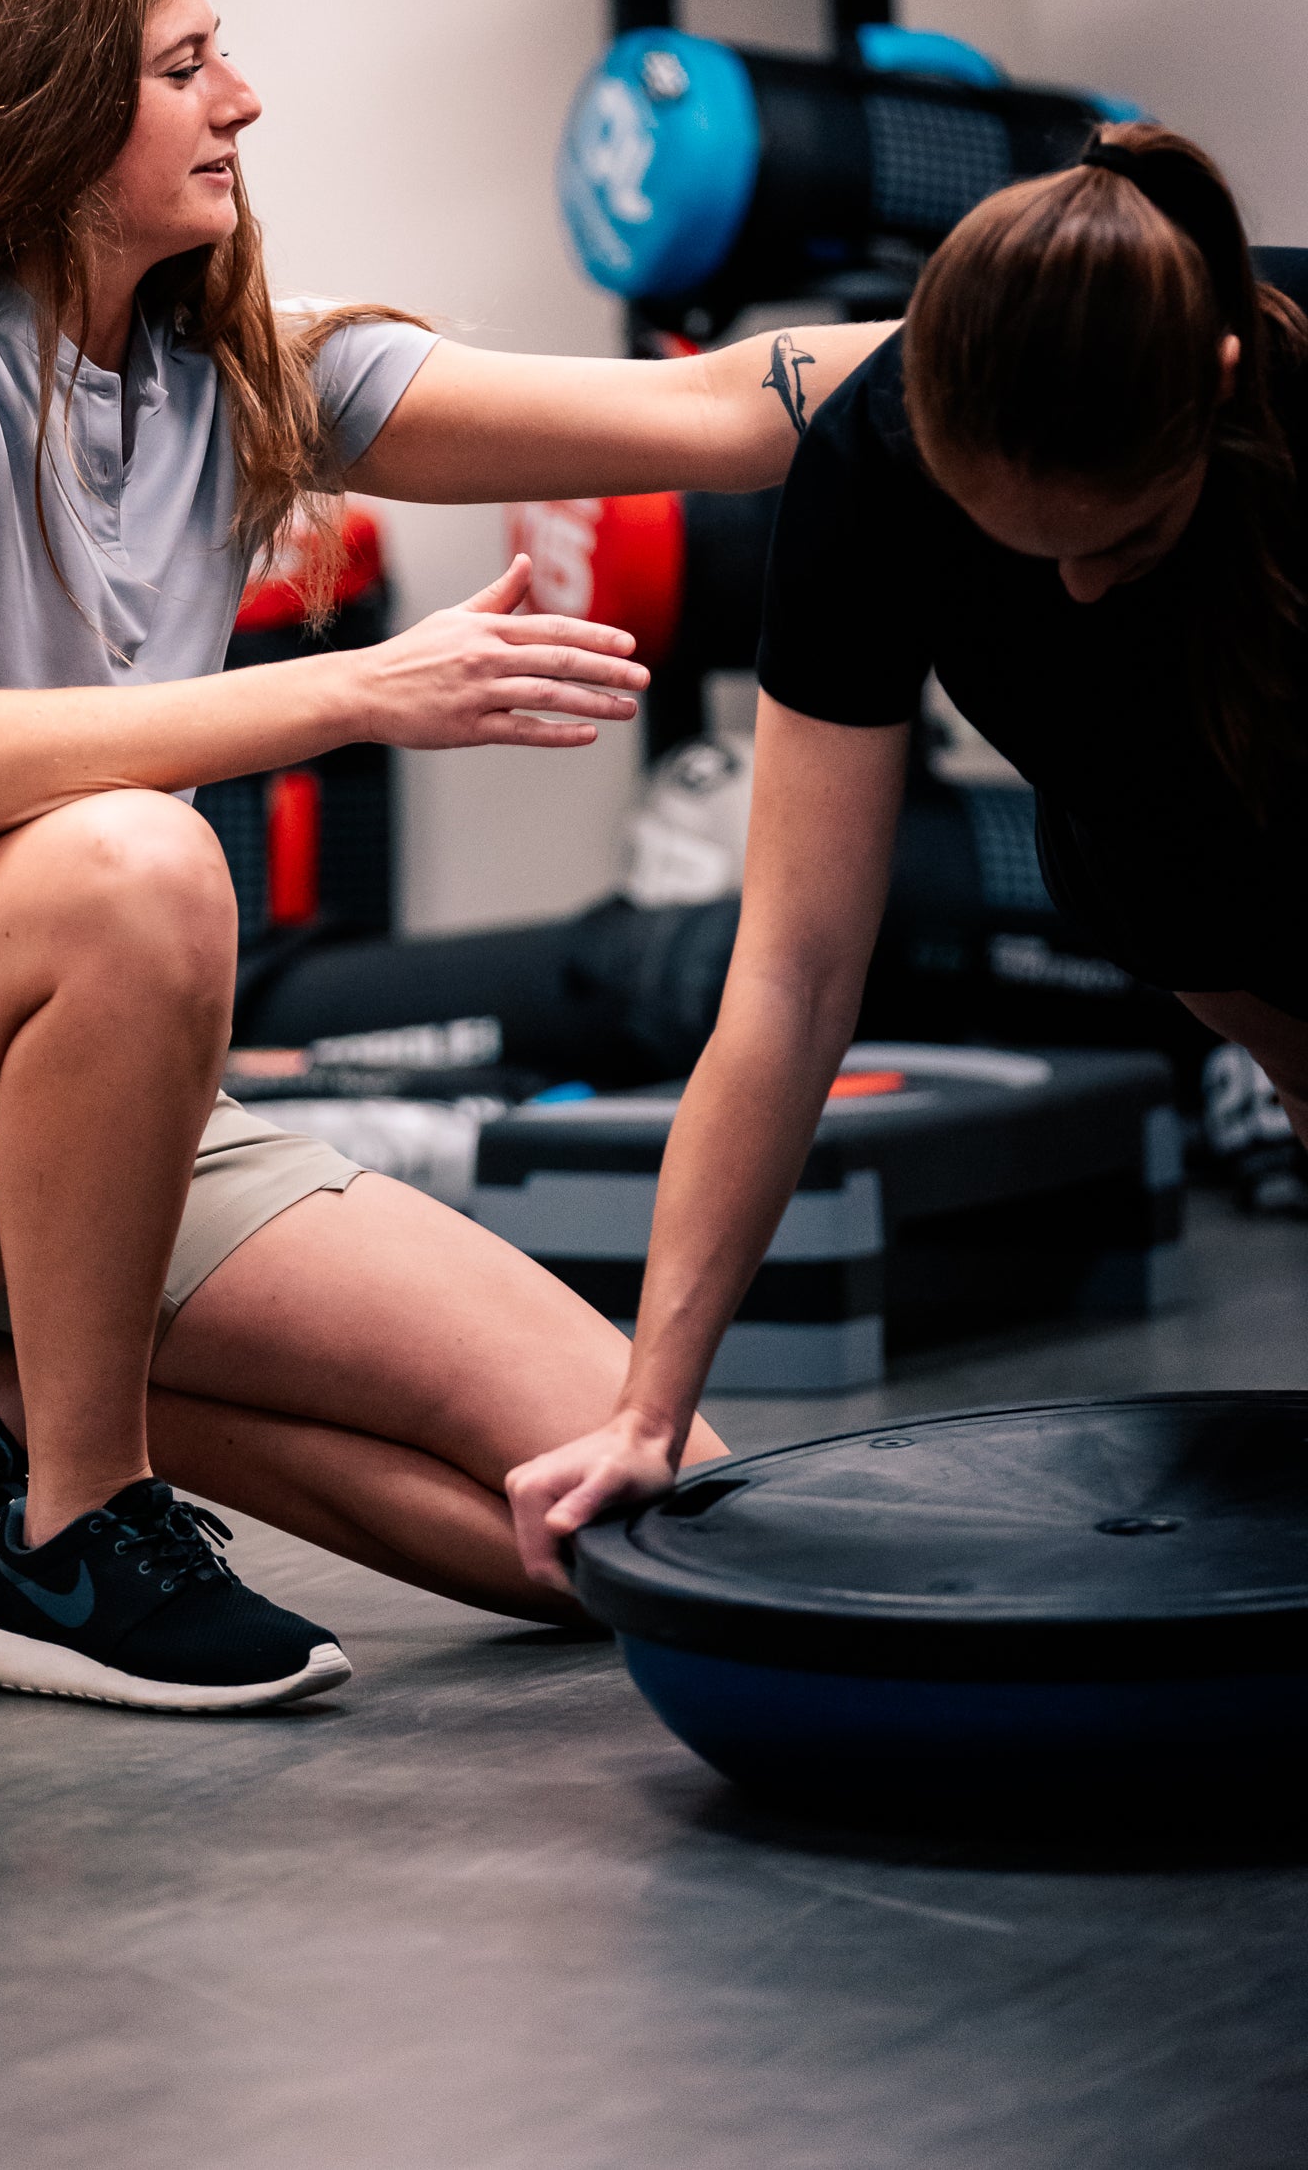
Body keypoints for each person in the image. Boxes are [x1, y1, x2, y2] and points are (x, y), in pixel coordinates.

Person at [0, 0, 885, 1716]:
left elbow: (725, 411)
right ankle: (71, 1537)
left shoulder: (243, 373)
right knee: (133, 863)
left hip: (102, 1113)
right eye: (184, 66)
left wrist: (1089, 328)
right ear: (34, 113)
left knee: (640, 1515)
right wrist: (361, 690)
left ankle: (8, 1390)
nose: (244, 101)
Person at [508, 124, 1308, 1586]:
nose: (1073, 591)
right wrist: (646, 1409)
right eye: (1022, 551)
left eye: (1123, 544)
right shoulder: (870, 461)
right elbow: (796, 971)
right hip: (1169, 856)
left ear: (1222, 391)